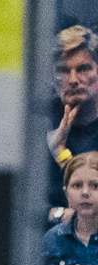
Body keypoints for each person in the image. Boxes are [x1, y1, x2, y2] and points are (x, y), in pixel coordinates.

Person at [51, 28, 98, 214]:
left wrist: (60, 152)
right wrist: (59, 215)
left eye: (83, 68)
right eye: (63, 70)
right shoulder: (39, 122)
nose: (73, 80)